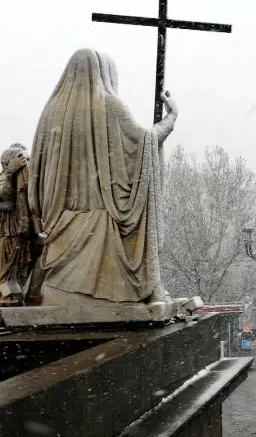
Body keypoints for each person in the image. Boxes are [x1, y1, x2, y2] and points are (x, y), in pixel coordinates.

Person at [28, 49, 178, 305]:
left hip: (60, 225)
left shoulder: (51, 111)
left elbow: (37, 172)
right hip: (100, 228)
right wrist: (171, 118)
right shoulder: (108, 105)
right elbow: (144, 144)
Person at [0, 144, 37, 303]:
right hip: (7, 232)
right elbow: (5, 197)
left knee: (18, 266)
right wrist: (10, 173)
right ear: (7, 163)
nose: (25, 163)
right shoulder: (4, 177)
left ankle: (14, 295)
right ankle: (5, 295)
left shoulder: (23, 180)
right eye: (21, 160)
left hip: (20, 232)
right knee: (7, 268)